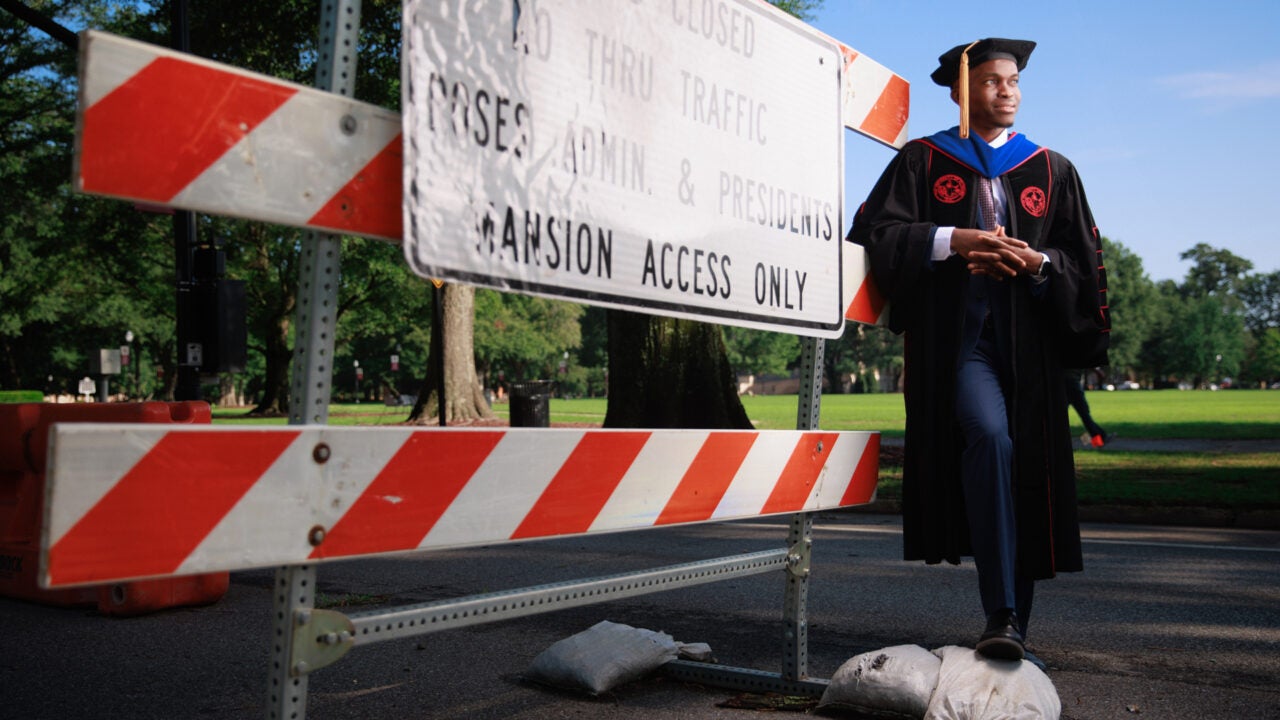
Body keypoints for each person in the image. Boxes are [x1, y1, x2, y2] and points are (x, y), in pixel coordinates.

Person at [848, 38, 1110, 663]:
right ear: (961, 92)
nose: (1007, 90)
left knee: (1024, 469)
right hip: (961, 344)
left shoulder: (1051, 169)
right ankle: (1002, 609)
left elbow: (1085, 262)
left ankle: (1010, 622)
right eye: (992, 81)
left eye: (1014, 80)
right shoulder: (923, 160)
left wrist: (1040, 260)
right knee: (989, 439)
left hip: (1031, 351)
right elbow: (874, 234)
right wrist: (950, 239)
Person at [1065, 371, 1109, 448]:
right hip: (1072, 385)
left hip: (1067, 385)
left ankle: (1100, 438)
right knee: (1085, 416)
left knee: (1085, 416)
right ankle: (1100, 438)